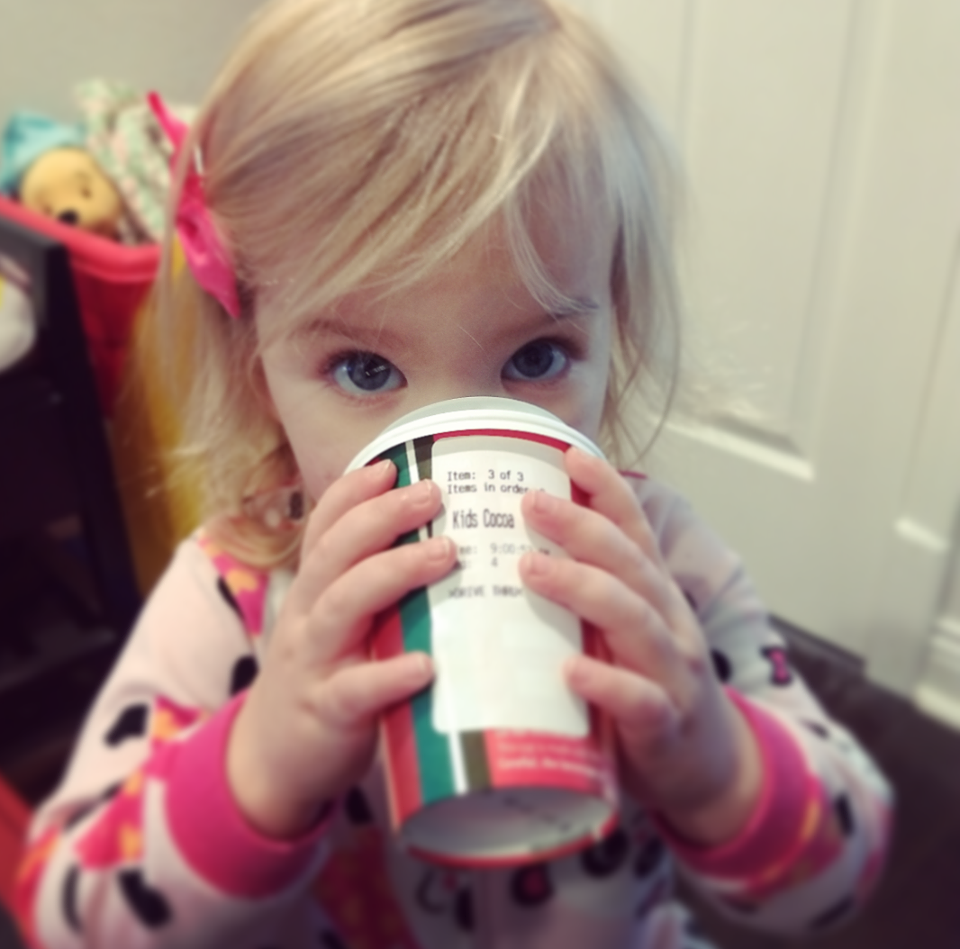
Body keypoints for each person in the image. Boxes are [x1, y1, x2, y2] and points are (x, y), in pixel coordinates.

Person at [13, 1, 892, 947]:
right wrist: (259, 766)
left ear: (615, 334)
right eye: (365, 368)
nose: (455, 450)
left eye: (536, 356)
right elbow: (71, 913)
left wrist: (715, 763)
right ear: (257, 370)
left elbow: (839, 871)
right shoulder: (235, 593)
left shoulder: (654, 566)